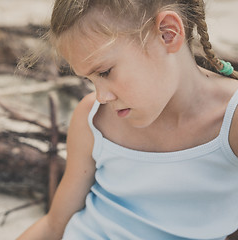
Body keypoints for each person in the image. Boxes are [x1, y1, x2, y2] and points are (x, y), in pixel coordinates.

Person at [18, 0, 238, 239]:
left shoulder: (232, 120)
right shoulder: (94, 120)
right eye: (90, 80)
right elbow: (54, 225)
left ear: (167, 33)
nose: (101, 96)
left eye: (105, 72)